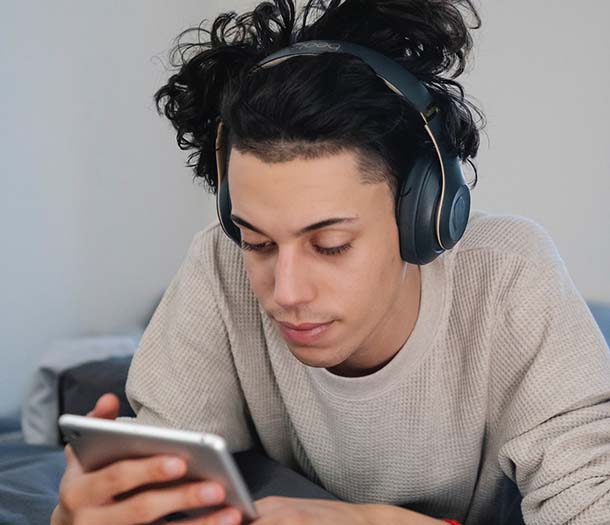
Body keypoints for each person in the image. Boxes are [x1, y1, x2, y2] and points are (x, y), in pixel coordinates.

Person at [51, 1, 610, 524]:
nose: (286, 293)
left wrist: (374, 521)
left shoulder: (512, 275)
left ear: (426, 218)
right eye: (259, 242)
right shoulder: (219, 265)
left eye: (330, 245)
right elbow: (170, 482)